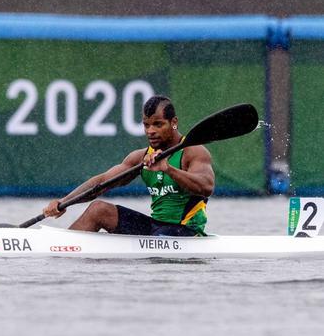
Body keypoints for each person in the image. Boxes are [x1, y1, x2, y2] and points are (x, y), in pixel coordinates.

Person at [43, 95, 214, 236]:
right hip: (156, 228)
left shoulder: (193, 152)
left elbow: (206, 187)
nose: (150, 131)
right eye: (146, 125)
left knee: (161, 236)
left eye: (158, 124)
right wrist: (64, 201)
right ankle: (61, 247)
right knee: (98, 209)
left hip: (186, 231)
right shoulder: (141, 157)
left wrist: (168, 169)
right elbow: (101, 183)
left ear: (174, 122)